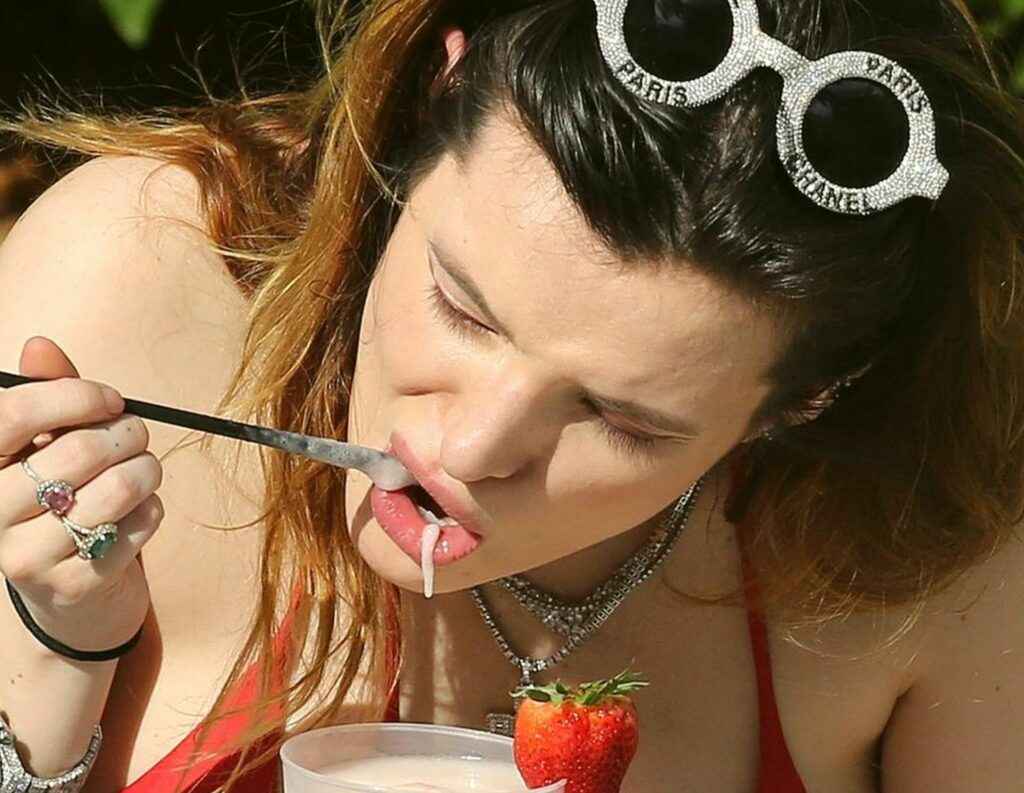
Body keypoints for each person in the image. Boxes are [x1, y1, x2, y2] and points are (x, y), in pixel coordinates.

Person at [0, 0, 1022, 790]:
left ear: (806, 401)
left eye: (621, 418)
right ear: (431, 104)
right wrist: (56, 657)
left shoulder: (931, 542)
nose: (472, 445)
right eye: (462, 307)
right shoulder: (138, 287)